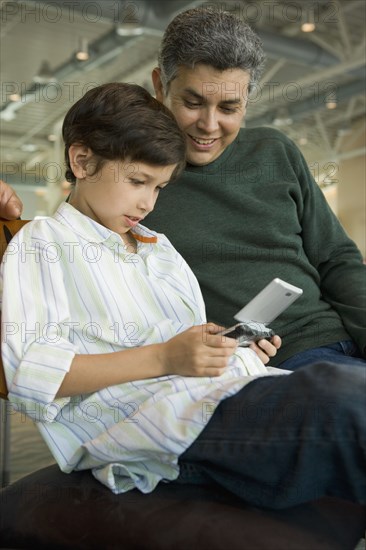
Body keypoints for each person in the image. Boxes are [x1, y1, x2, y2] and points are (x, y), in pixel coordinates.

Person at [0, 82, 285, 496]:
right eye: (137, 181)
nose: (148, 203)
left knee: (336, 392)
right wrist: (165, 356)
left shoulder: (162, 249)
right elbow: (33, 375)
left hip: (216, 398)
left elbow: (185, 349)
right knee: (337, 399)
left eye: (158, 188)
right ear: (81, 160)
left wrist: (227, 353)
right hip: (149, 428)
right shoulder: (44, 242)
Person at [144, 7, 366, 371]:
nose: (209, 125)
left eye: (229, 107)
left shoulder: (275, 150)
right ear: (159, 85)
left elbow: (337, 260)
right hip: (266, 364)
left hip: (339, 341)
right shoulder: (134, 181)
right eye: (193, 102)